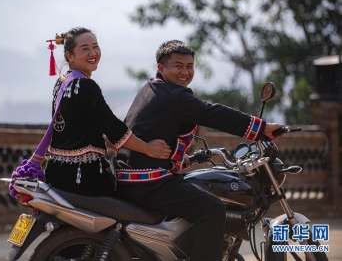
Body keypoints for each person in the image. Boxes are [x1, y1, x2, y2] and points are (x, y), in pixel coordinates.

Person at [114, 40, 284, 261]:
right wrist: (261, 128)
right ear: (161, 68)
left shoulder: (150, 88)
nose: (185, 72)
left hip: (128, 176)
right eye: (178, 65)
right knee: (212, 208)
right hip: (147, 182)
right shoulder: (176, 96)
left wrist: (176, 157)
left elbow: (145, 129)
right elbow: (213, 113)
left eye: (189, 66)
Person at [44, 27, 171, 196]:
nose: (93, 53)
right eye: (85, 49)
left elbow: (82, 131)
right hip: (85, 178)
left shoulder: (63, 81)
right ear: (69, 56)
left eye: (95, 47)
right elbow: (114, 129)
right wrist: (148, 149)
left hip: (56, 173)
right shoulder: (86, 86)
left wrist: (126, 148)